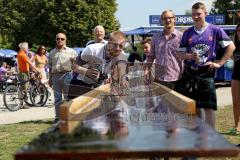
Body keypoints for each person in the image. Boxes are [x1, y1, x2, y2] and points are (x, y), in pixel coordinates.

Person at [178, 2, 235, 128]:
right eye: (193, 14)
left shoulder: (215, 30)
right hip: (190, 72)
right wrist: (189, 56)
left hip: (206, 72)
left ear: (205, 13)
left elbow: (231, 47)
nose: (196, 17)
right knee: (194, 106)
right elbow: (180, 54)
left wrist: (220, 63)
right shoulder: (187, 33)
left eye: (198, 14)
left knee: (209, 108)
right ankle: (198, 136)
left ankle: (211, 139)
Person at [71, 31, 128, 97]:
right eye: (115, 44)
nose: (117, 49)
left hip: (98, 87)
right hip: (79, 84)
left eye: (121, 46)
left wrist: (118, 78)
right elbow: (73, 66)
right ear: (109, 43)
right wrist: (87, 72)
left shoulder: (121, 56)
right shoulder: (92, 50)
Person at [144, 9, 184, 90]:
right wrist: (146, 70)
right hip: (160, 79)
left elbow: (186, 57)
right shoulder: (155, 37)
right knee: (161, 103)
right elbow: (151, 56)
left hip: (177, 79)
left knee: (177, 102)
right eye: (164, 18)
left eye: (169, 18)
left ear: (174, 19)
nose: (167, 20)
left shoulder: (181, 37)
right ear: (162, 21)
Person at [48, 33, 77, 123]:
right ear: (55, 40)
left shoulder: (71, 51)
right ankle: (58, 117)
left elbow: (76, 64)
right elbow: (50, 66)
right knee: (57, 99)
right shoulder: (52, 52)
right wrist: (50, 79)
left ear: (65, 40)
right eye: (58, 39)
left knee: (68, 98)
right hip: (55, 76)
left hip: (67, 75)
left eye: (62, 39)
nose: (60, 40)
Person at [17, 42, 40, 108]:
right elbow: (30, 63)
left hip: (23, 72)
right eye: (27, 47)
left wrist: (33, 70)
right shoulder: (23, 55)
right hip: (24, 73)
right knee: (24, 89)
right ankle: (22, 104)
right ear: (24, 48)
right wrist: (37, 70)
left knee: (23, 88)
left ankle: (22, 103)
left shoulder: (19, 54)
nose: (28, 48)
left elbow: (26, 65)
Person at [231, 24, 240, 134]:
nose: (239, 33)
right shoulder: (234, 47)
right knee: (236, 102)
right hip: (236, 76)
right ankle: (237, 125)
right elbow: (233, 60)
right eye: (238, 31)